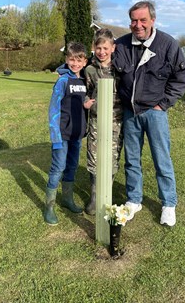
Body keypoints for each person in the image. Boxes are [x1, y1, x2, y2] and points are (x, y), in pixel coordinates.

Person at [113, 1, 185, 226]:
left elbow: (180, 78)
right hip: (130, 112)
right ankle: (134, 200)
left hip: (155, 113)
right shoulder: (122, 44)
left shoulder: (168, 45)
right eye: (134, 20)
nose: (138, 25)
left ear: (152, 20)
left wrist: (163, 104)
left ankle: (168, 203)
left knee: (162, 159)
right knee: (132, 160)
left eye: (143, 20)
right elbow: (104, 64)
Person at [44, 42, 88, 225]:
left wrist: (86, 105)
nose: (75, 63)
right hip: (61, 135)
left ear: (85, 62)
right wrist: (55, 137)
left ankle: (67, 200)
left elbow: (80, 103)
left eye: (79, 60)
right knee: (58, 168)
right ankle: (49, 207)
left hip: (76, 134)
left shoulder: (84, 80)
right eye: (72, 60)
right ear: (66, 59)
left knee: (72, 166)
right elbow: (54, 109)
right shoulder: (62, 81)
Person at [83, 28, 123, 215]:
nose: (102, 52)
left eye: (106, 48)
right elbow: (87, 92)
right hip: (97, 121)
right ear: (94, 48)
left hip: (116, 120)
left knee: (112, 157)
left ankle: (107, 195)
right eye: (98, 48)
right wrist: (86, 102)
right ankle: (94, 196)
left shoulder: (120, 69)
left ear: (113, 48)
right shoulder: (90, 70)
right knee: (94, 157)